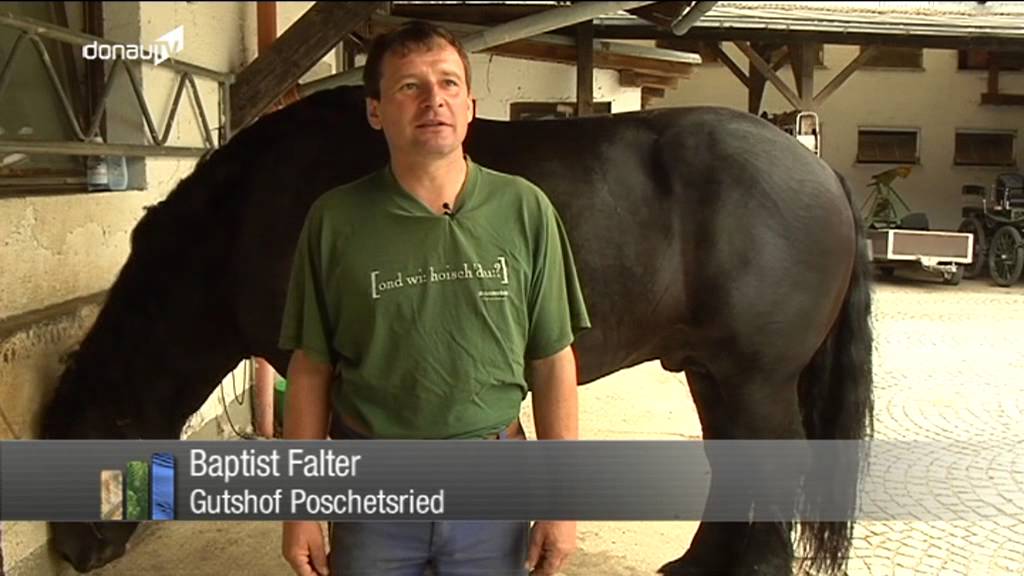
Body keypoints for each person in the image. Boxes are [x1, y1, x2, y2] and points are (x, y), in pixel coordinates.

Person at [278, 20, 590, 576]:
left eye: (448, 84)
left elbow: (552, 361)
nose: (434, 100)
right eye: (409, 86)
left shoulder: (525, 209)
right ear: (375, 111)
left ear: (469, 107)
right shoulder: (335, 220)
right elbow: (310, 367)